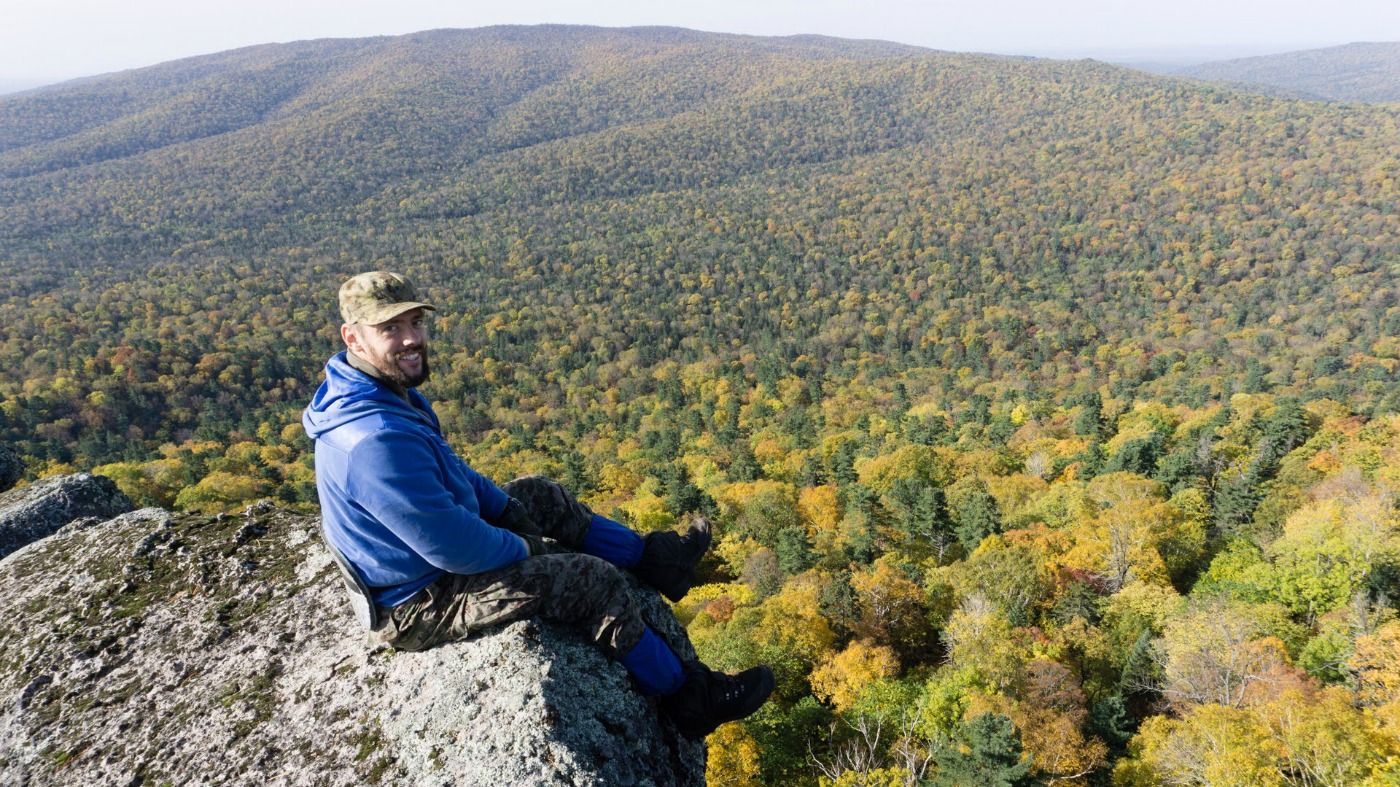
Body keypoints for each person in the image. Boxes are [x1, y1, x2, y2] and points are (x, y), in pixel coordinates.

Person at [302, 270, 773, 738]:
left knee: (537, 493)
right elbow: (454, 549)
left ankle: (655, 560)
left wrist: (506, 510)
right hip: (421, 601)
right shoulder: (373, 439)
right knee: (591, 581)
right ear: (353, 337)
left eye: (415, 323)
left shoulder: (387, 394)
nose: (411, 339)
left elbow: (452, 470)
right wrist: (529, 549)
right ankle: (688, 697)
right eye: (390, 329)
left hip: (432, 557)